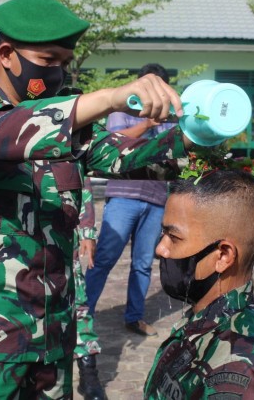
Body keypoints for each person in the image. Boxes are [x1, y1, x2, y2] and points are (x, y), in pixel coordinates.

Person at [0, 0, 194, 398]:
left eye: (65, 63)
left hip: (51, 344)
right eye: (48, 60)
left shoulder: (73, 133)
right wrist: (109, 98)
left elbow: (130, 157)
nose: (58, 73)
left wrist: (198, 133)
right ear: (6, 55)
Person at [144, 170, 254, 399]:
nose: (161, 249)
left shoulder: (236, 377)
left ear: (222, 256)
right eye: (163, 233)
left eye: (174, 237)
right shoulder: (209, 316)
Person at [85, 63, 176, 337]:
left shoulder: (170, 118)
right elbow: (113, 142)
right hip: (123, 197)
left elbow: (173, 153)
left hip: (156, 198)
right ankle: (83, 316)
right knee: (104, 259)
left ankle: (134, 317)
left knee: (143, 263)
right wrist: (147, 123)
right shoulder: (122, 110)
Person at [74, 178, 106, 400]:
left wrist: (86, 231)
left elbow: (78, 175)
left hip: (59, 233)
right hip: (12, 235)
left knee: (78, 304)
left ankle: (88, 373)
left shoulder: (61, 142)